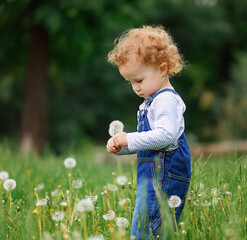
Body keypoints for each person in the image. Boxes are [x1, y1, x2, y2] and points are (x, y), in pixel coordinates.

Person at [106, 25, 191, 239]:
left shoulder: (165, 100)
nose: (135, 87)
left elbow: (166, 136)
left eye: (139, 80)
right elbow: (150, 143)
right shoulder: (152, 102)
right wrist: (122, 147)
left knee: (150, 229)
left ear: (162, 69)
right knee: (144, 226)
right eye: (131, 82)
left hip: (163, 179)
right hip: (153, 179)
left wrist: (130, 138)